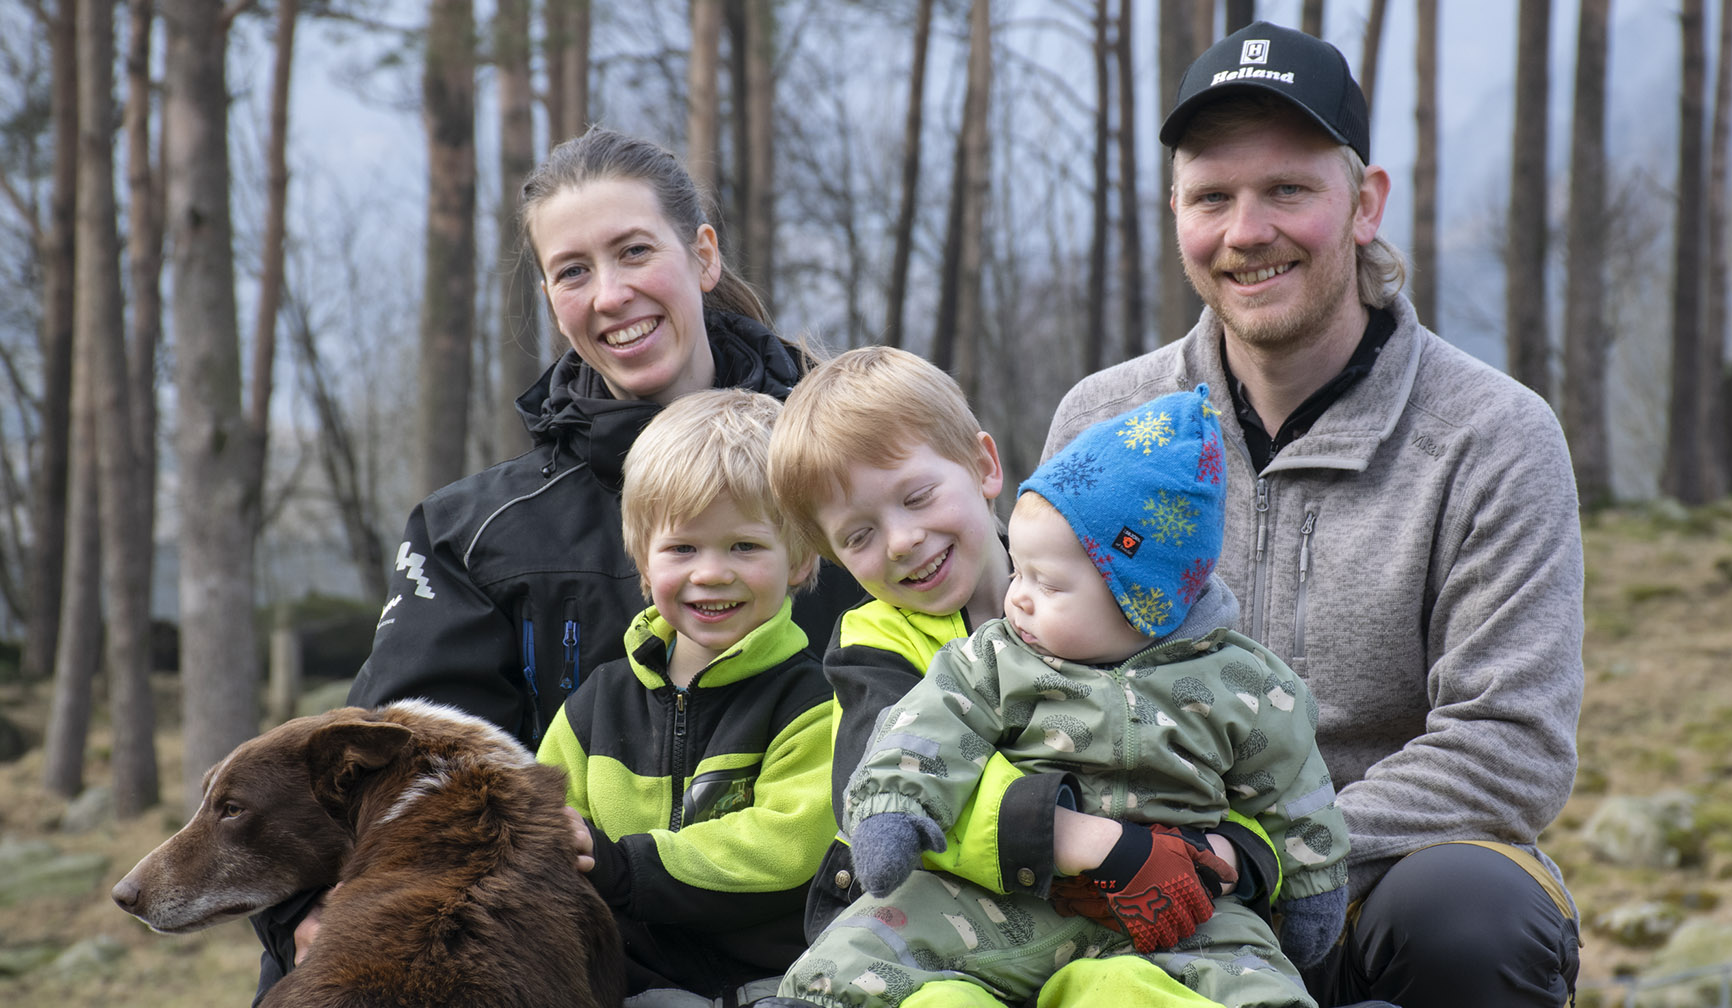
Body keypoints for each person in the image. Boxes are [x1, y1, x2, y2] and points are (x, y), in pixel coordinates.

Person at [249, 126, 860, 1003]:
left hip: (841, 939)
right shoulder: (476, 532)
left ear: (703, 255)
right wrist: (305, 908)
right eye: (573, 271)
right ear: (549, 294)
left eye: (634, 252)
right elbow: (381, 765)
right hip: (574, 958)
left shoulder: (849, 480)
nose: (610, 295)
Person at [1042, 21, 1584, 1008]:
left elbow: (1510, 746)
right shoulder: (1103, 422)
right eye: (1213, 197)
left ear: (1365, 204)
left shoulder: (1494, 438)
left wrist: (1258, 850)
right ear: (1177, 214)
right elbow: (1035, 676)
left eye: (1288, 189)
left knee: (1476, 916)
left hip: (1385, 883)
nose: (1247, 231)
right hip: (1146, 885)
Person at [772, 387, 1351, 1008]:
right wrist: (1101, 842)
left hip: (1165, 914)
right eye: (857, 536)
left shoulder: (1235, 677)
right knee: (875, 962)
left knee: (1231, 977)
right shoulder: (939, 652)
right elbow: (911, 746)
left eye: (917, 498)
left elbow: (1288, 781)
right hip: (985, 909)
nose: (901, 541)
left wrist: (1259, 859)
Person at [535, 388, 837, 1004]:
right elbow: (541, 813)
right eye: (682, 548)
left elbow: (789, 847)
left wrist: (621, 863)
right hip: (619, 979)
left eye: (745, 546)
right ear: (644, 563)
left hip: (771, 982)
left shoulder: (815, 702)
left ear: (802, 557)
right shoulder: (598, 703)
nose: (711, 573)